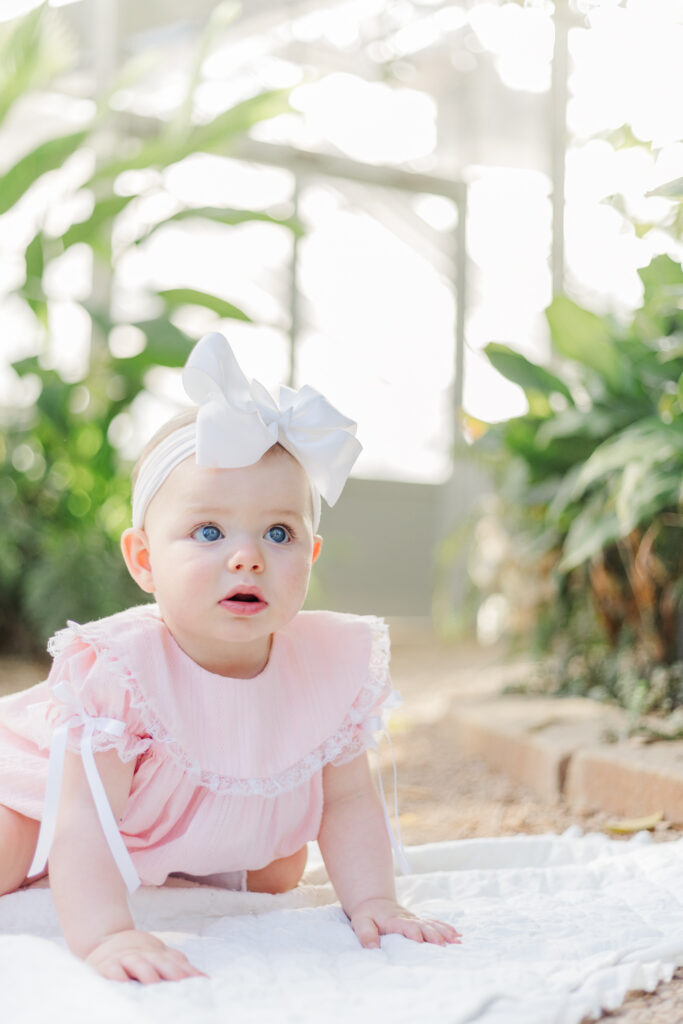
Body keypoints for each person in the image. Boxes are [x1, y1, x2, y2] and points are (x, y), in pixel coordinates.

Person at [0, 332, 461, 983]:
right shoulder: (121, 671)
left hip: (177, 815)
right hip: (51, 797)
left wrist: (375, 900)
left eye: (279, 533)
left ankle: (174, 855)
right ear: (143, 560)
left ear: (311, 556)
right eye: (208, 532)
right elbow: (84, 818)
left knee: (279, 871)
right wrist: (107, 936)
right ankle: (59, 863)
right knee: (8, 850)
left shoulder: (327, 664)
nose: (246, 556)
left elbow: (348, 801)